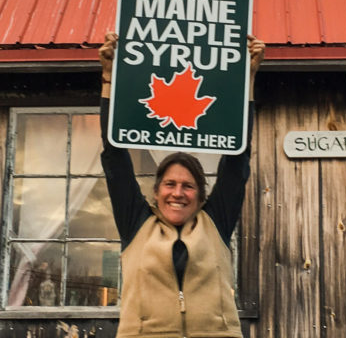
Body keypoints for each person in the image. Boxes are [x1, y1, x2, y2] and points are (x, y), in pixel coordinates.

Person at [99, 31, 264, 338]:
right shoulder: (136, 222)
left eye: (188, 186)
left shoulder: (215, 222)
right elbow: (114, 157)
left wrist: (247, 79)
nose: (178, 193)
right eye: (170, 184)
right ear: (157, 191)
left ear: (201, 195)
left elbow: (238, 159)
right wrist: (109, 79)